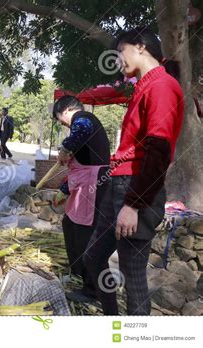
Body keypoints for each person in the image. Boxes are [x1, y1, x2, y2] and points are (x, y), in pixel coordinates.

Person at [83, 27, 184, 315]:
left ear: (140, 47)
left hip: (135, 189)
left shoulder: (162, 86)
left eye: (120, 52)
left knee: (133, 275)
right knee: (93, 257)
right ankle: (113, 323)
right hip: (120, 184)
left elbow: (159, 151)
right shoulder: (144, 85)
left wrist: (133, 204)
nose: (118, 60)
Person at [51, 95, 110, 303]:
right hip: (84, 184)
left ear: (66, 110)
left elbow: (81, 131)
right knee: (70, 224)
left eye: (59, 118)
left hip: (94, 186)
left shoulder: (83, 119)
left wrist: (65, 149)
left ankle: (93, 289)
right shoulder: (81, 127)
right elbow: (78, 170)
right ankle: (79, 272)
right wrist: (64, 190)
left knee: (86, 235)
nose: (61, 123)